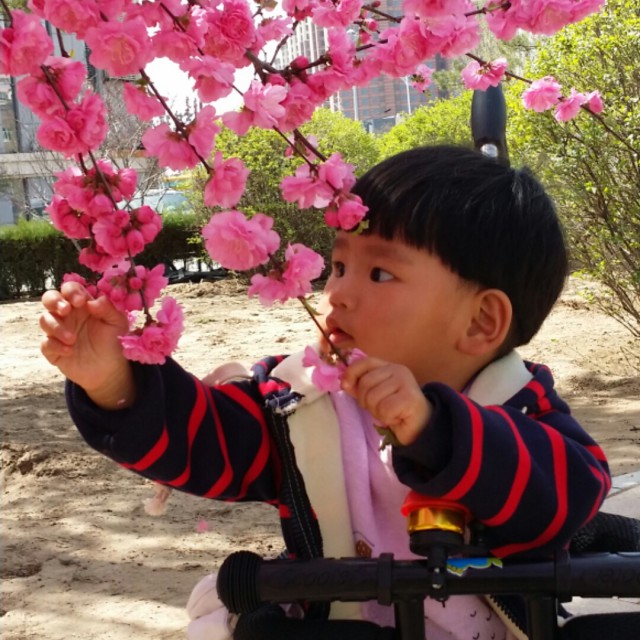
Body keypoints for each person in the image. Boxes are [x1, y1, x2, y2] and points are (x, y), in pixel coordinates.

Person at [39, 145, 611, 640]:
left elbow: (570, 495)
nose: (336, 294)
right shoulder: (301, 402)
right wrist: (115, 384)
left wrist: (437, 430)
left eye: (379, 273)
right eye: (338, 265)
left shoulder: (517, 407)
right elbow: (210, 441)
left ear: (481, 322)